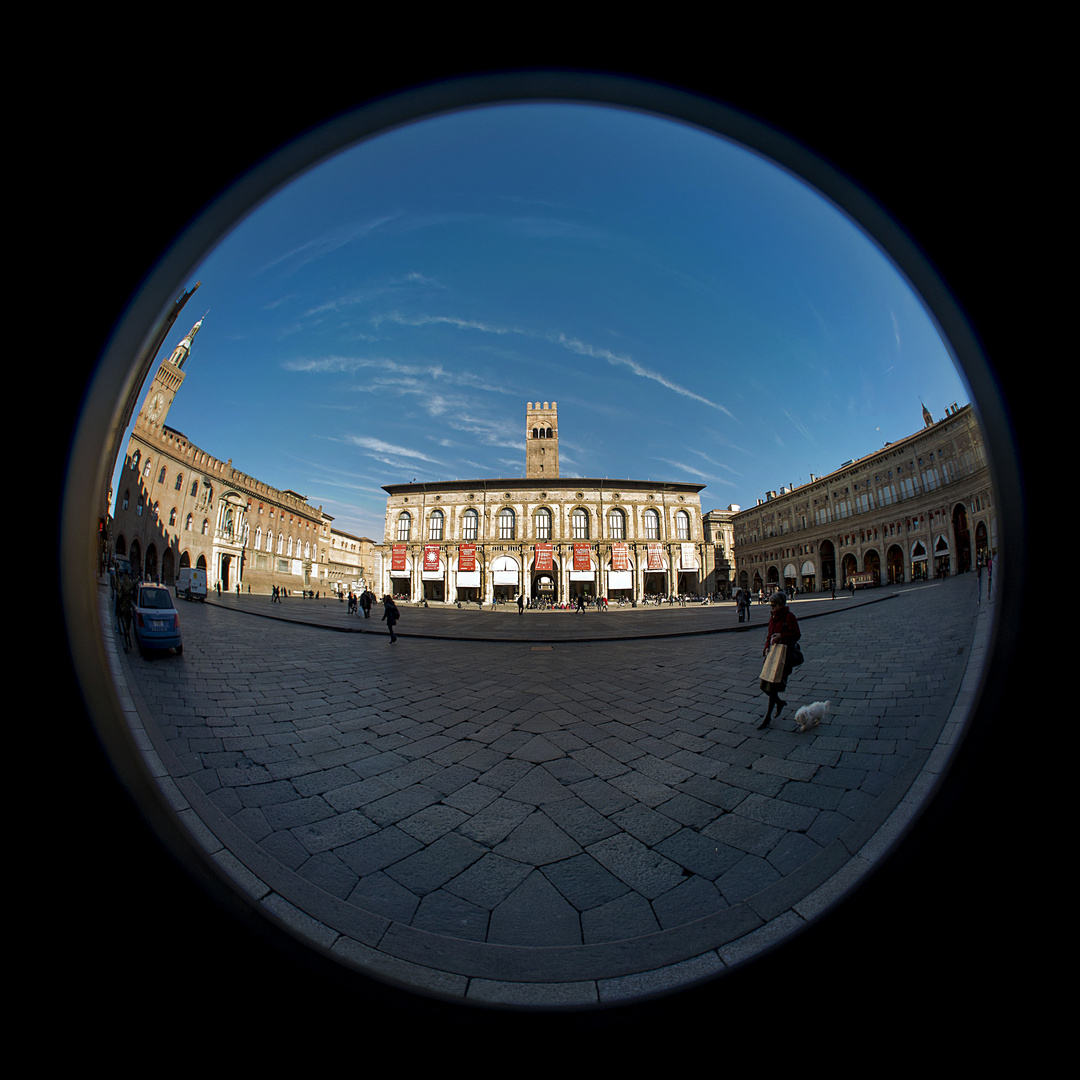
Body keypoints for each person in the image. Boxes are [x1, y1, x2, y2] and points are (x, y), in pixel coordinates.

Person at [758, 591, 801, 730]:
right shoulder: (773, 617)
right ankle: (780, 703)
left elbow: (796, 635)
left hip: (784, 658)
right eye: (770, 605)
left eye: (773, 605)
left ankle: (767, 718)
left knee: (773, 687)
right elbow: (769, 635)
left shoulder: (789, 617)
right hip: (772, 656)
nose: (771, 608)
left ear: (781, 605)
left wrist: (781, 636)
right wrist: (765, 648)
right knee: (764, 686)